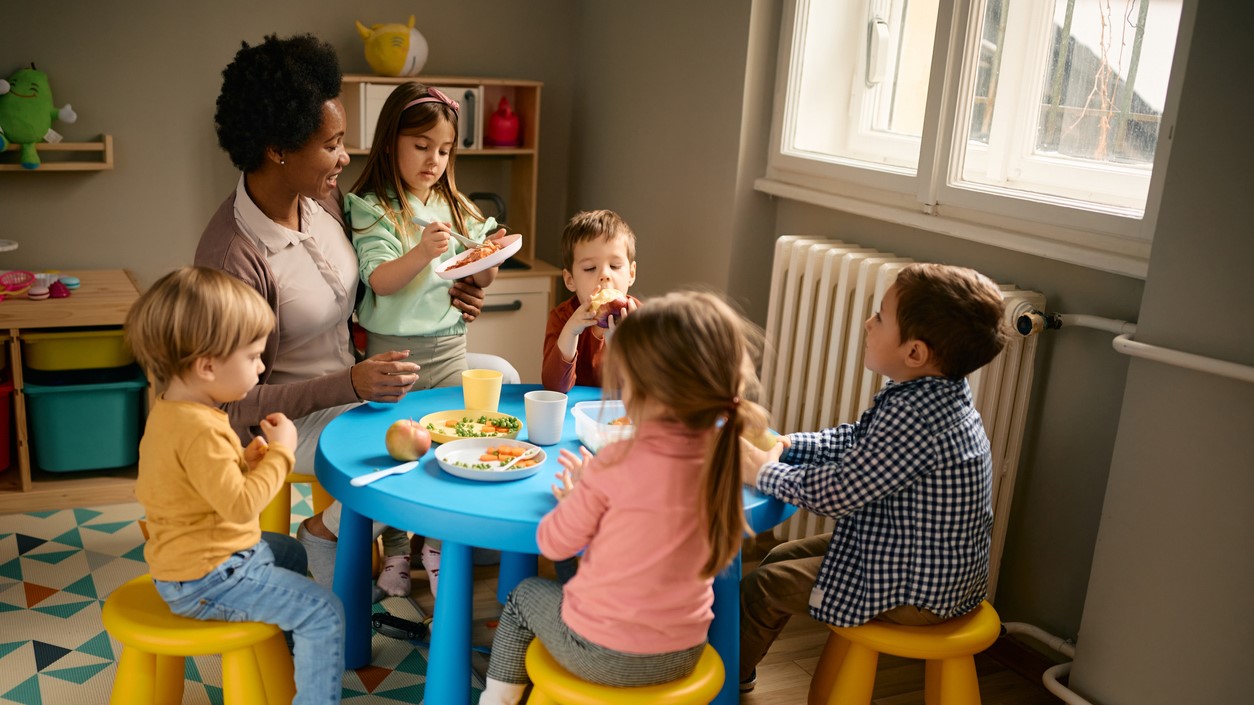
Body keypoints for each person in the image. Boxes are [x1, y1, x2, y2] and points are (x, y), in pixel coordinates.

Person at [193, 34, 485, 598]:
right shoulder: (233, 258)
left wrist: (454, 292)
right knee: (416, 447)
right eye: (333, 145)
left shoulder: (321, 201)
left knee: (480, 392)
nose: (345, 158)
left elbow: (371, 287)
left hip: (358, 382)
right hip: (287, 415)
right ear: (279, 148)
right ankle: (323, 532)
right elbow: (226, 406)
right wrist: (347, 383)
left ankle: (412, 544)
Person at [479, 291, 772, 705]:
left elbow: (551, 543)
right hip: (684, 654)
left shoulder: (615, 462)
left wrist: (576, 499)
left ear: (635, 388)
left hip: (602, 657)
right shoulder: (723, 459)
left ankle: (496, 701)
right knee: (586, 571)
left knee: (524, 595)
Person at [736, 262, 1009, 692]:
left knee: (764, 586)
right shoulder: (929, 393)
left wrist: (763, 472)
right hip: (917, 558)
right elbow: (856, 439)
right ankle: (743, 663)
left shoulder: (918, 420)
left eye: (880, 315)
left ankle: (730, 680)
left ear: (915, 353)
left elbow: (840, 493)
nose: (868, 322)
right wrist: (790, 446)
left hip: (918, 590)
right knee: (778, 558)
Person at [125, 266, 345, 705]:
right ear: (207, 366)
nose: (262, 368)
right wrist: (282, 451)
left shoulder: (175, 409)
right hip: (208, 579)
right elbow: (242, 507)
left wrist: (242, 463)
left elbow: (198, 487)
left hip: (196, 558)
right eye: (253, 358)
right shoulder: (201, 430)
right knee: (326, 611)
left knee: (290, 551)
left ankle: (282, 653)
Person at [345, 82, 511, 597]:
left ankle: (436, 545)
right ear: (392, 141)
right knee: (396, 453)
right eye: (421, 146)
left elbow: (476, 279)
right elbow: (379, 280)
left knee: (452, 444)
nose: (433, 160)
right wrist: (420, 252)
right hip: (392, 352)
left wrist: (488, 262)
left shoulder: (454, 205)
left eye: (443, 150)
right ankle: (395, 550)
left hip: (449, 348)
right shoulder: (375, 208)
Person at [541, 210, 641, 393]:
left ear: (631, 273)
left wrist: (626, 344)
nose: (604, 275)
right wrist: (570, 332)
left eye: (615, 266)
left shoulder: (641, 318)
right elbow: (554, 387)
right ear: (570, 280)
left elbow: (646, 389)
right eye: (589, 268)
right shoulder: (563, 318)